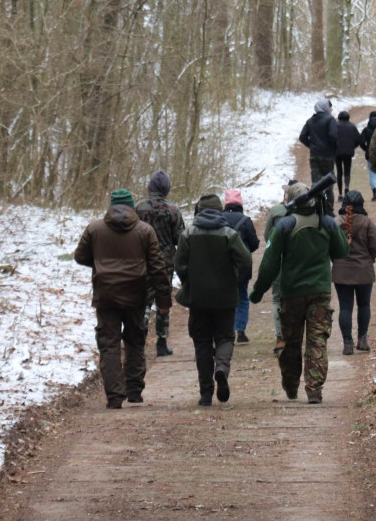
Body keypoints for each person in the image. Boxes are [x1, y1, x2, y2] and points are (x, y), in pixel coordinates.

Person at [250, 182, 349, 404]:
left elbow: (269, 264)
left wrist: (258, 292)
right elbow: (342, 251)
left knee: (290, 342)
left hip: (291, 293)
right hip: (320, 292)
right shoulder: (325, 223)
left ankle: (291, 386)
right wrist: (331, 223)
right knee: (317, 342)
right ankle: (314, 390)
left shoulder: (284, 225)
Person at [74, 189, 170, 409]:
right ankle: (134, 391)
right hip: (136, 294)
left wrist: (100, 265)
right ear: (132, 206)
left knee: (109, 344)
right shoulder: (145, 231)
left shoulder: (94, 229)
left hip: (105, 295)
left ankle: (115, 396)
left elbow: (80, 256)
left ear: (111, 206)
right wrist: (164, 301)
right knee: (135, 340)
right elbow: (158, 268)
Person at [175, 194, 252, 406]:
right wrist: (232, 272)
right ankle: (222, 369)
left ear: (199, 211)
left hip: (198, 298)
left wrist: (189, 281)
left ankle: (206, 393)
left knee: (202, 343)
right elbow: (245, 259)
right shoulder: (230, 234)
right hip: (225, 297)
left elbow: (179, 264)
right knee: (225, 337)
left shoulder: (188, 234)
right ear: (220, 210)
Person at [135, 170, 186, 357]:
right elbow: (181, 238)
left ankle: (140, 338)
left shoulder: (138, 207)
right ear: (166, 189)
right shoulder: (173, 210)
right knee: (163, 301)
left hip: (143, 261)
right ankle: (162, 342)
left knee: (144, 301)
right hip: (165, 262)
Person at [333, 191, 376, 354]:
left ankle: (347, 343)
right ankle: (362, 339)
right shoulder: (367, 223)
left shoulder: (336, 223)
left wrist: (336, 259)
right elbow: (374, 244)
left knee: (345, 308)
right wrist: (369, 259)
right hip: (364, 271)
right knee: (364, 305)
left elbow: (329, 245)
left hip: (341, 272)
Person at [265, 180, 298, 356]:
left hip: (278, 262)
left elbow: (267, 236)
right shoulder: (308, 213)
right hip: (299, 263)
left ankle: (281, 338)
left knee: (277, 299)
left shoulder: (276, 212)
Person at [221, 189, 259, 344]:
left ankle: (226, 329)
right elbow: (255, 243)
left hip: (223, 267)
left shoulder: (219, 219)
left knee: (225, 299)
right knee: (242, 297)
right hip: (242, 267)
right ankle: (240, 331)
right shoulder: (245, 221)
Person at [298, 98, 338, 216]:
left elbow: (302, 136)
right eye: (330, 107)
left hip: (314, 156)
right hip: (327, 156)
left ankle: (317, 209)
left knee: (316, 184)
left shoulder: (310, 121)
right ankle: (329, 211)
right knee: (329, 182)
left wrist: (312, 145)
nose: (331, 109)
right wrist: (333, 149)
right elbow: (333, 136)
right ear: (326, 108)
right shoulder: (330, 120)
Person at [334, 111, 361, 198]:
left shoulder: (335, 126)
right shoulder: (352, 126)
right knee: (347, 171)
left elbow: (331, 137)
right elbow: (358, 139)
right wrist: (352, 147)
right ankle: (347, 187)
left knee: (339, 172)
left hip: (337, 152)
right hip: (348, 153)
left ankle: (340, 193)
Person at [359, 111, 376, 201]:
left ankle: (374, 194)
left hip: (371, 154)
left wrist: (366, 149)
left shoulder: (366, 129)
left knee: (372, 174)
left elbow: (361, 141)